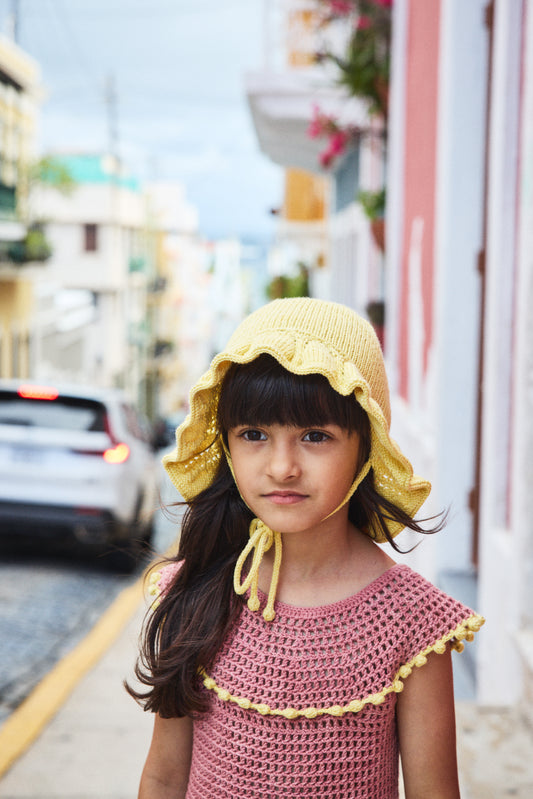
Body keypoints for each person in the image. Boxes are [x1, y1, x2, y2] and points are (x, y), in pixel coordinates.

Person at [128, 297, 484, 799]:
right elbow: (165, 776)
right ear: (227, 445)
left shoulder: (414, 625)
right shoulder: (197, 587)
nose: (281, 467)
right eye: (254, 434)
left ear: (366, 444)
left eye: (314, 436)